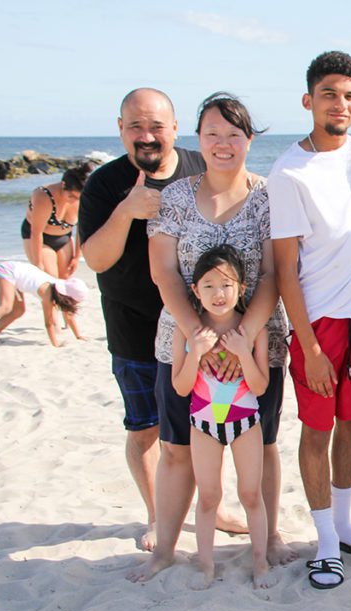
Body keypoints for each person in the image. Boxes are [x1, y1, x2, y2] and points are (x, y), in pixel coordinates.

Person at [131, 92, 295, 583]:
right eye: (212, 134)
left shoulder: (269, 195)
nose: (223, 144)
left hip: (256, 344)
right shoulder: (177, 197)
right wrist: (200, 335)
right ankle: (165, 549)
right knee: (176, 447)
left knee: (262, 443)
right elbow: (164, 274)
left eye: (234, 134)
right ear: (197, 140)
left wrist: (242, 338)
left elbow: (271, 275)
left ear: (249, 139)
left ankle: (272, 537)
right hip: (183, 343)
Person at [270, 51, 351, 591]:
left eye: (348, 96)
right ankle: (324, 542)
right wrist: (310, 346)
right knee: (316, 429)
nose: (339, 104)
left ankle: (344, 525)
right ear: (308, 101)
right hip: (317, 322)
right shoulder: (287, 172)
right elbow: (283, 270)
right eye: (328, 94)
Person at [79, 88, 209, 553]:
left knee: (205, 425)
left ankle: (209, 508)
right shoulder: (104, 184)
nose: (147, 136)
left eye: (156, 126)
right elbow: (94, 257)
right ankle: (158, 514)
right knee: (145, 427)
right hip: (133, 325)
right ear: (120, 129)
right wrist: (126, 211)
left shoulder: (201, 167)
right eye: (135, 126)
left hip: (195, 327)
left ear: (175, 128)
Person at [172, 245, 274, 590]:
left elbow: (259, 386)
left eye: (227, 285)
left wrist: (244, 353)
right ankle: (205, 565)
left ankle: (260, 560)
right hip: (203, 425)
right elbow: (182, 388)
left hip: (245, 423)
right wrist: (195, 352)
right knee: (209, 496)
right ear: (195, 290)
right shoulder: (188, 332)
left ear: (241, 288)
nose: (219, 294)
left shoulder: (251, 331)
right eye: (209, 285)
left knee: (250, 494)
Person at [0, 261, 87, 346]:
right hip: (8, 270)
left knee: (18, 311)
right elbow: (48, 323)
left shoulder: (57, 289)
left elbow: (69, 316)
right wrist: (55, 344)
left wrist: (78, 336)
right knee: (5, 307)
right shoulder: (48, 293)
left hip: (16, 275)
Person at [21, 164, 91, 280]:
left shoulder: (83, 198)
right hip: (39, 237)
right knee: (50, 281)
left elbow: (81, 229)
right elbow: (36, 232)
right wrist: (38, 263)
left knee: (64, 280)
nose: (74, 201)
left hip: (63, 238)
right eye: (71, 196)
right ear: (63, 185)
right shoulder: (44, 196)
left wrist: (77, 257)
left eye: (78, 198)